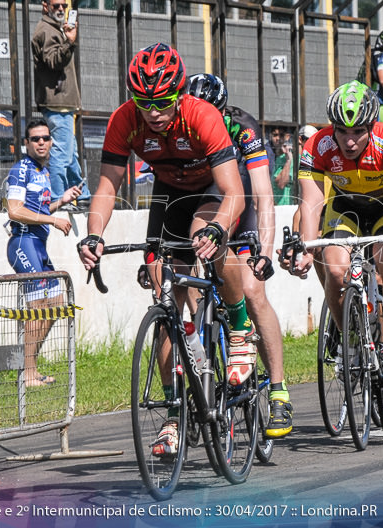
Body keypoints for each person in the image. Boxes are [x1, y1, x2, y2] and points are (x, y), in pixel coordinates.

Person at [77, 43, 247, 456]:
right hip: (169, 190)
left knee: (203, 235)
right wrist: (94, 234)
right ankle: (174, 412)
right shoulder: (124, 120)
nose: (153, 111)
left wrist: (220, 229)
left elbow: (234, 193)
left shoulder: (201, 115)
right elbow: (107, 186)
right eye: (144, 102)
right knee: (163, 293)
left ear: (180, 94)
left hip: (212, 187)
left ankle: (240, 329)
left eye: (163, 102)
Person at [289, 81, 383, 390]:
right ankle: (347, 338)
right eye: (342, 132)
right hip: (345, 208)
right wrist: (306, 248)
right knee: (334, 268)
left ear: (372, 126)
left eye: (358, 132)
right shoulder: (318, 145)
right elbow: (311, 204)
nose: (349, 141)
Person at [186, 73, 293, 439]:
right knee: (188, 286)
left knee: (251, 289)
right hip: (203, 198)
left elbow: (263, 194)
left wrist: (263, 249)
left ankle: (278, 391)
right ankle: (200, 377)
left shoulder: (242, 127)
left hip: (241, 199)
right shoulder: (181, 125)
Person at [5, 118, 82, 387]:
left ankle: (32, 369)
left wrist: (61, 201)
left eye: (45, 138)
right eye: (35, 139)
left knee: (56, 304)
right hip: (23, 244)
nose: (41, 142)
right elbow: (15, 210)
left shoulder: (44, 172)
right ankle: (26, 374)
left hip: (38, 246)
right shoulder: (21, 170)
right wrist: (53, 220)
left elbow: (38, 209)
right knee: (37, 307)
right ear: (26, 143)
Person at [31, 0, 90, 208]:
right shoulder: (46, 31)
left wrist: (66, 37)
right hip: (57, 101)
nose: (60, 10)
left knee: (70, 153)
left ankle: (82, 196)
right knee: (61, 154)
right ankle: (57, 198)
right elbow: (54, 61)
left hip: (62, 101)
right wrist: (69, 42)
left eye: (64, 6)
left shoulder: (56, 29)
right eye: (56, 5)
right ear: (45, 6)